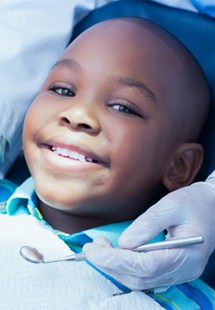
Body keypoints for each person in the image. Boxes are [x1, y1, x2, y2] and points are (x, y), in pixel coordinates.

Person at [1, 0, 215, 292]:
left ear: (179, 166)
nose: (78, 115)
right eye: (62, 90)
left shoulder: (173, 293)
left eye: (123, 107)